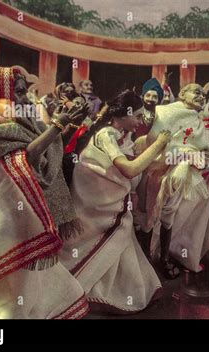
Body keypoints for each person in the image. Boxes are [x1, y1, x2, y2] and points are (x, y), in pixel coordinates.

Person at [0, 67, 89, 318]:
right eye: (20, 92)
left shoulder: (23, 117)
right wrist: (58, 125)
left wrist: (60, 124)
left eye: (25, 92)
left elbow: (42, 151)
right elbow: (29, 156)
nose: (25, 98)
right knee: (6, 280)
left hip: (14, 209)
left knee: (20, 280)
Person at [59, 90, 168, 314]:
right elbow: (128, 170)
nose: (140, 121)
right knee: (114, 236)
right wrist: (159, 145)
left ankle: (121, 289)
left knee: (123, 241)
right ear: (122, 114)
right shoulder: (106, 134)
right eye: (137, 116)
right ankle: (95, 290)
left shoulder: (123, 137)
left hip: (111, 202)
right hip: (97, 202)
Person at [136, 83, 209, 279]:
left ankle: (164, 259)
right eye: (196, 92)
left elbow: (200, 146)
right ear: (182, 94)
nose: (201, 96)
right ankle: (144, 260)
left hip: (186, 174)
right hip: (159, 168)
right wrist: (183, 155)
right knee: (150, 214)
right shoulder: (163, 112)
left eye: (203, 95)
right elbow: (152, 141)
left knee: (169, 217)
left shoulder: (197, 118)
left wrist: (194, 157)